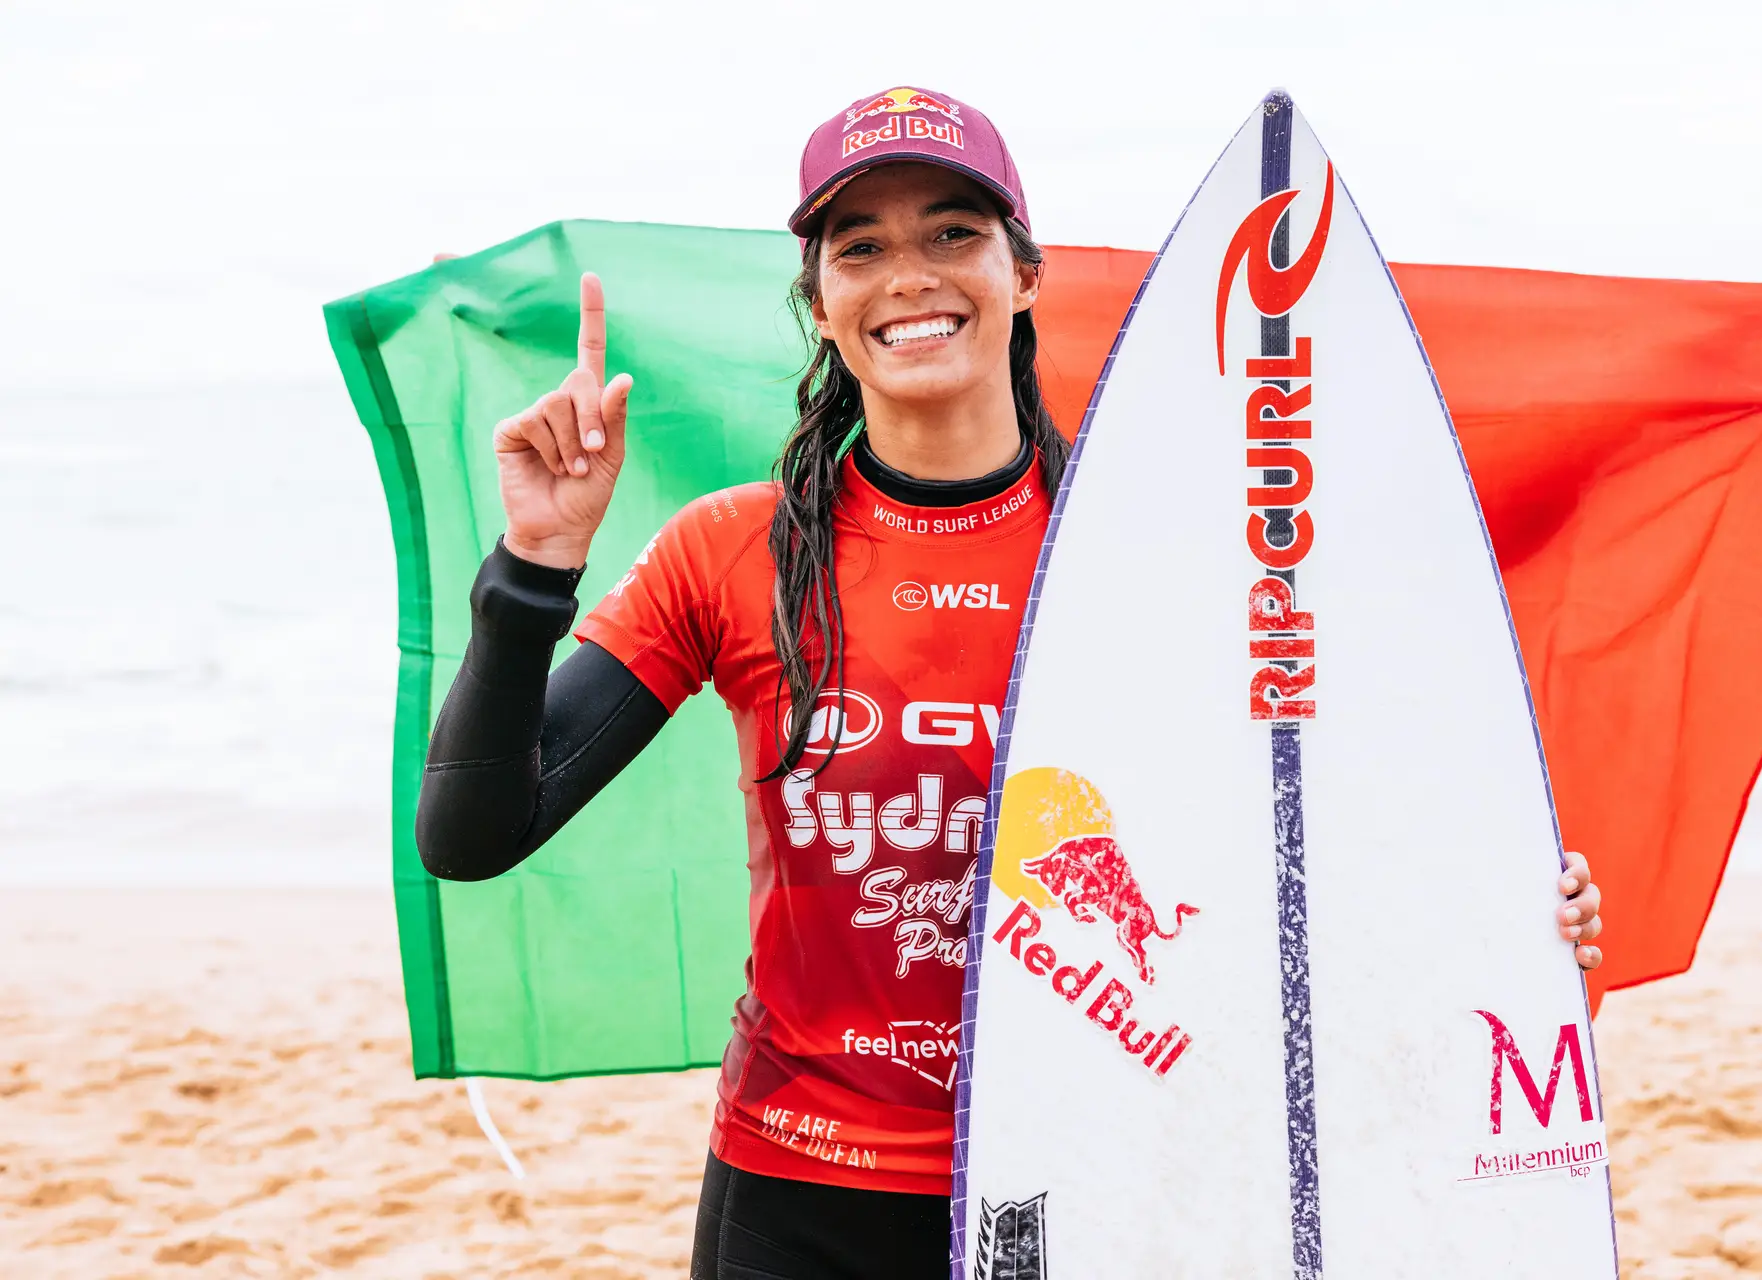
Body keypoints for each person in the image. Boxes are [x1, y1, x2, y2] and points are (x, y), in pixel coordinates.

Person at [414, 85, 1606, 1280]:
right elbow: (473, 830)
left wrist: (1507, 916)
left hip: (1105, 1155)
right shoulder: (733, 551)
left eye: (952, 232)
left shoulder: (1154, 552)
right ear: (819, 303)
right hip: (800, 1183)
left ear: (1023, 273)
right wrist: (536, 563)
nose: (908, 276)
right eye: (861, 246)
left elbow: (1317, 826)